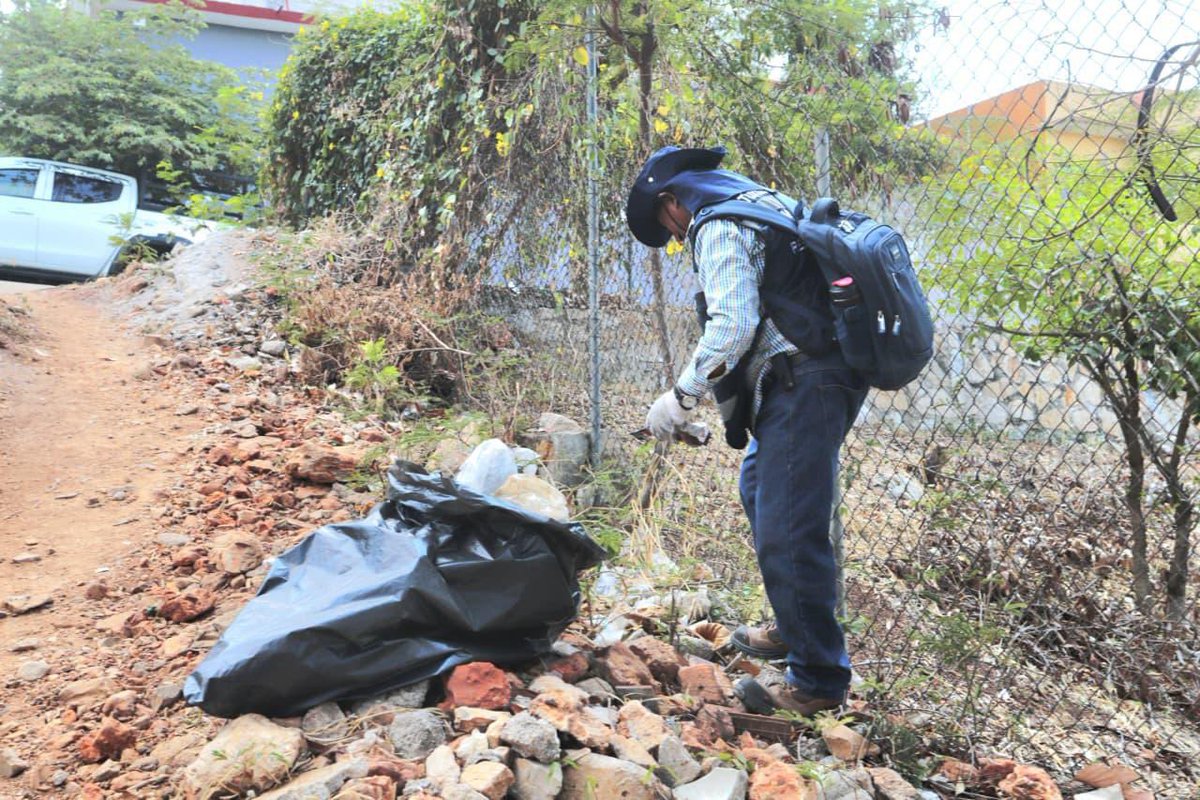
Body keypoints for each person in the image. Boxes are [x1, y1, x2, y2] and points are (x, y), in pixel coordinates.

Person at [625, 145, 868, 715]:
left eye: (668, 228)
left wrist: (681, 397)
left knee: (788, 522)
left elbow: (732, 324)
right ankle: (797, 626)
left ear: (671, 202)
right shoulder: (762, 202)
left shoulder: (720, 221)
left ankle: (816, 683)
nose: (677, 238)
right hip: (809, 376)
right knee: (761, 489)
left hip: (804, 380)